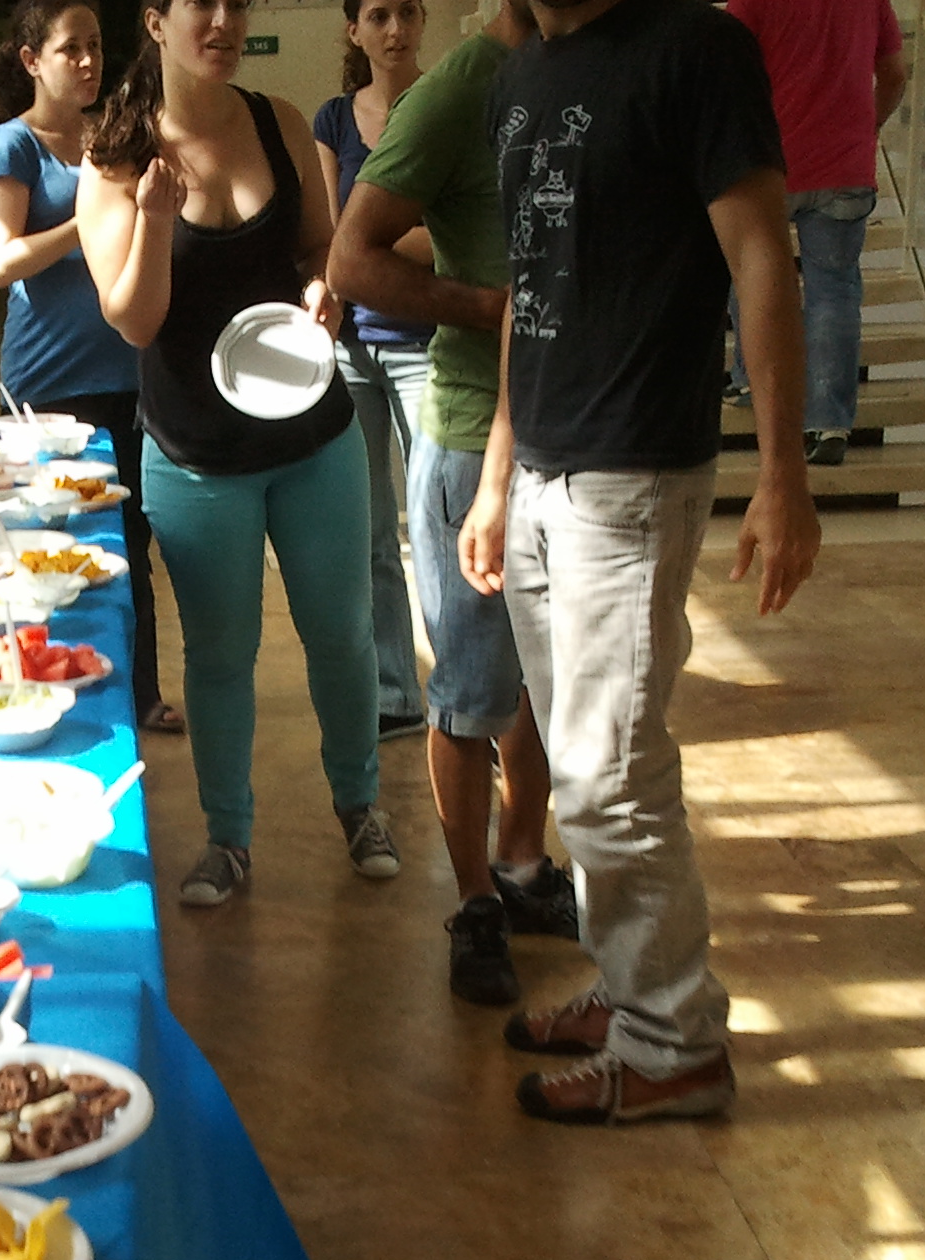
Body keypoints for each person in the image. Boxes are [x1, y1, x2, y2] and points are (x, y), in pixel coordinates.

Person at [458, 0, 820, 1123]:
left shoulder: (696, 50)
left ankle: (674, 1047)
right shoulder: (522, 77)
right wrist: (497, 474)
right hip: (540, 474)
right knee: (583, 775)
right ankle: (630, 990)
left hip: (634, 474)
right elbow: (527, 293)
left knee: (610, 776)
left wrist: (783, 471)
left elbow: (760, 254)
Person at [79, 0, 395, 909]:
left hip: (311, 430)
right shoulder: (116, 158)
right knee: (220, 655)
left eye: (236, 3)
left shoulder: (279, 122)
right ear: (156, 20)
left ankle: (361, 805)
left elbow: (319, 250)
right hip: (194, 452)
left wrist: (321, 292)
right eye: (200, 5)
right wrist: (152, 218)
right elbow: (134, 320)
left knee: (342, 635)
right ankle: (228, 839)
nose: (223, 20)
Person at [327, 0, 580, 1009]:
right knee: (471, 690)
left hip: (581, 438)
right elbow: (351, 260)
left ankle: (522, 862)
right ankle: (474, 899)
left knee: (544, 685)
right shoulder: (460, 88)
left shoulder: (593, 71)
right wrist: (491, 309)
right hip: (474, 431)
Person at [0, 0, 182, 732]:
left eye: (95, 45)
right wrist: (90, 218)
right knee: (49, 550)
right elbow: (1, 261)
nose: (89, 62)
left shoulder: (116, 137)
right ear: (32, 61)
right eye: (71, 49)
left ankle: (140, 692)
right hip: (46, 388)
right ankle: (38, 686)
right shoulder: (13, 145)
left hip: (130, 374)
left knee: (128, 544)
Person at [311, 0, 431, 742]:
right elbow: (332, 245)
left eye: (407, 12)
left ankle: (472, 700)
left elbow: (451, 236)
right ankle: (395, 692)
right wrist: (354, 258)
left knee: (444, 527)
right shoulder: (332, 120)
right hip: (350, 350)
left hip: (428, 347)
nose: (395, 29)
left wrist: (362, 254)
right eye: (378, 15)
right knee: (370, 533)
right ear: (355, 30)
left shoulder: (445, 107)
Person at [722, 0, 909, 466]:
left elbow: (725, 75)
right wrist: (867, 128)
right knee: (834, 290)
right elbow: (895, 75)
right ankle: (828, 423)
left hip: (769, 162)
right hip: (845, 167)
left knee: (752, 271)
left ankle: (752, 379)